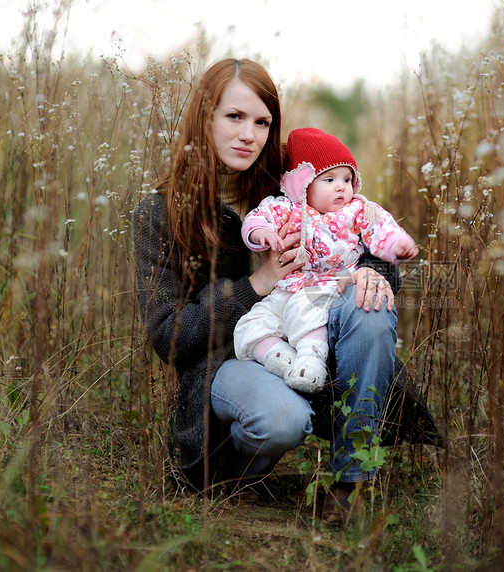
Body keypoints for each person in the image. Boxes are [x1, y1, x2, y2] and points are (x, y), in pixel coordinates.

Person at [132, 58, 438, 526]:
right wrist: (257, 283)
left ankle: (350, 482)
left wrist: (375, 270)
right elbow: (168, 336)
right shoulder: (162, 214)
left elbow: (358, 219)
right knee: (282, 421)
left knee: (368, 310)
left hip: (310, 325)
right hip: (228, 359)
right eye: (234, 117)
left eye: (261, 122)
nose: (248, 134)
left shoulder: (288, 181)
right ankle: (225, 471)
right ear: (204, 118)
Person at [233, 127, 419, 394]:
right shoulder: (286, 207)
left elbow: (381, 228)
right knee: (251, 324)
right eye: (329, 179)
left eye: (346, 179)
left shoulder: (355, 210)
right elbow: (259, 218)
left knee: (309, 319)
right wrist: (261, 233)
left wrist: (396, 244)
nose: (341, 187)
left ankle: (310, 364)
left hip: (326, 289)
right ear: (302, 185)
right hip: (284, 289)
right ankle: (278, 357)